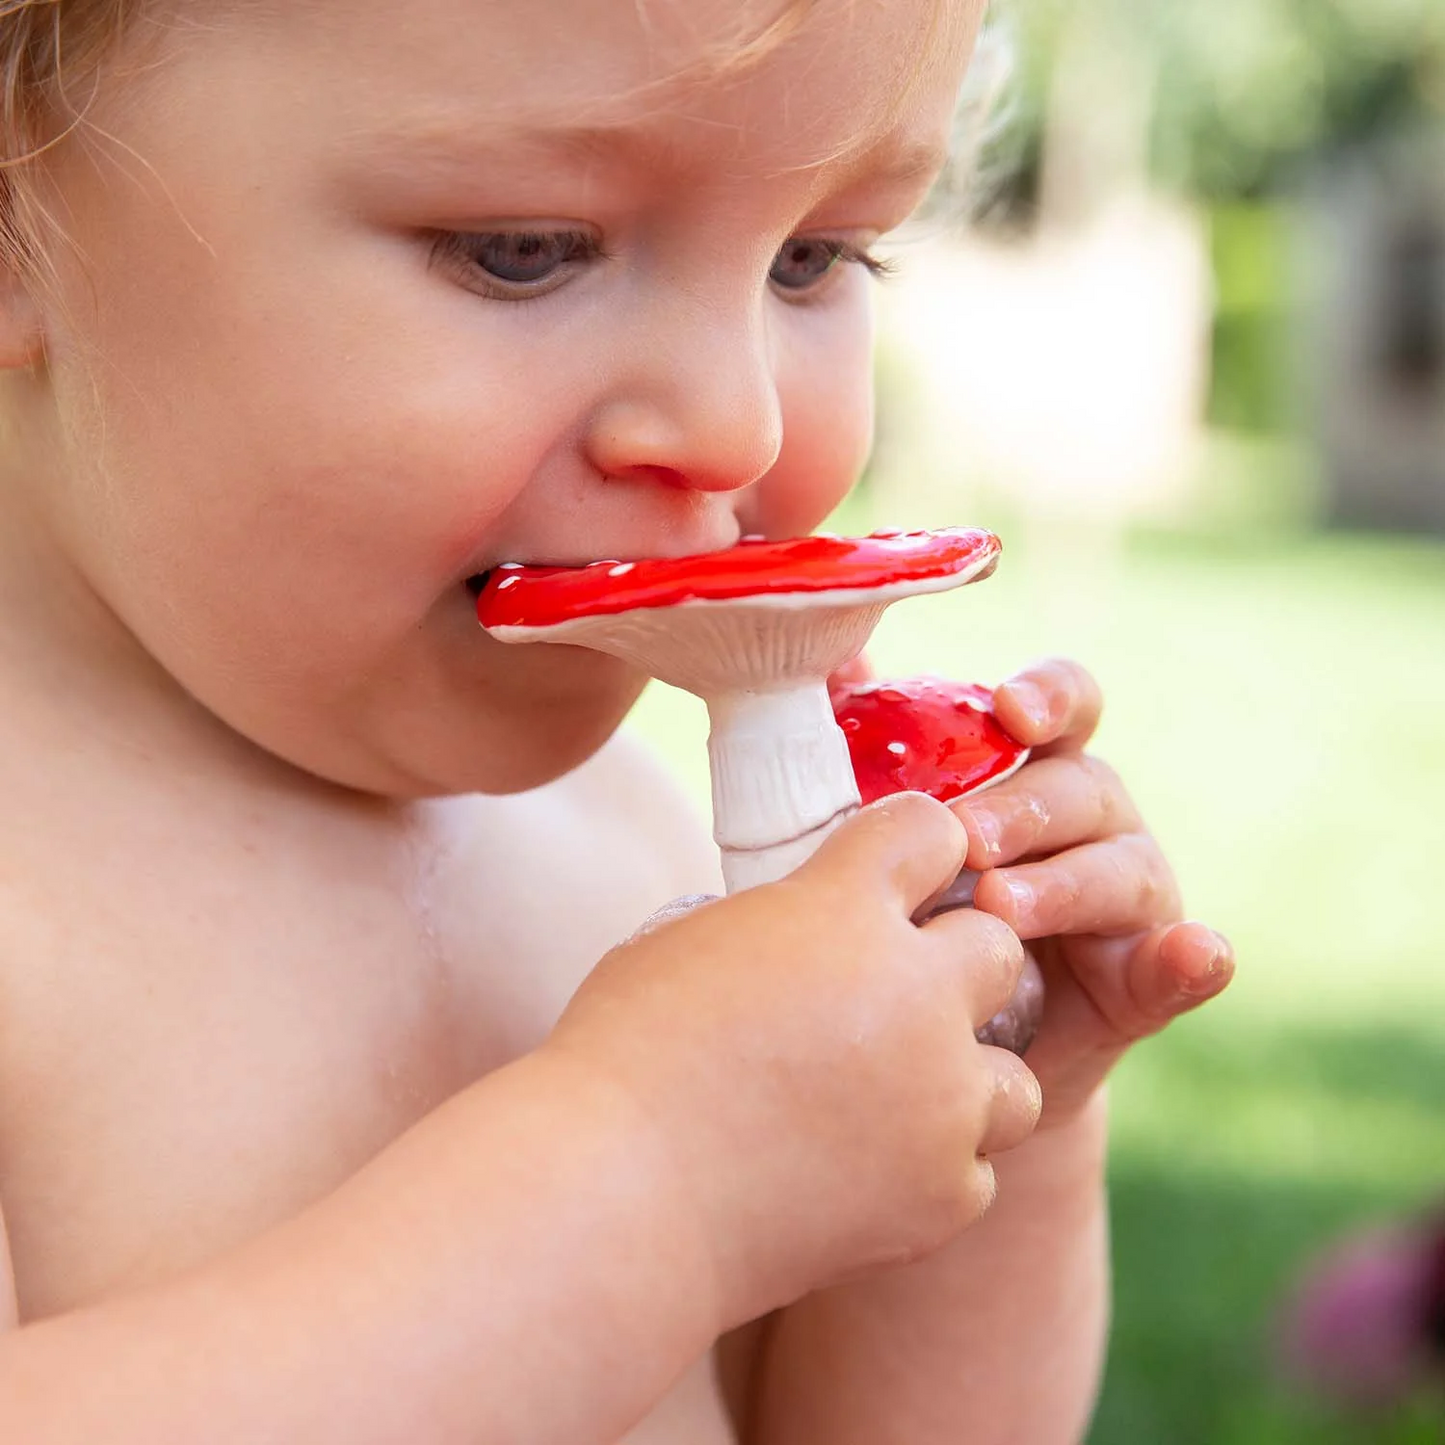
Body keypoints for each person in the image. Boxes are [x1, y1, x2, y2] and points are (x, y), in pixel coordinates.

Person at [0, 0, 1234, 1440]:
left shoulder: (636, 849)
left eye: (814, 256)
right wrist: (650, 1179)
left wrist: (994, 1114)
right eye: (524, 247)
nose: (738, 425)